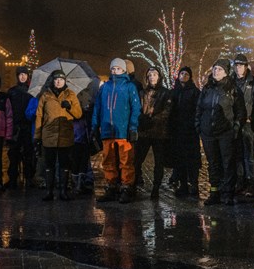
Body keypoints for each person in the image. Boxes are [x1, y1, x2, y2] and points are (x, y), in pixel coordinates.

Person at [196, 59, 247, 205]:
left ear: (226, 72)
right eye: (214, 69)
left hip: (225, 132)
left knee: (227, 163)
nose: (216, 72)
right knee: (213, 163)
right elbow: (199, 108)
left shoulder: (233, 89)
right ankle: (214, 192)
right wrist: (198, 125)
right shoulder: (207, 88)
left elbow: (240, 112)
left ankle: (228, 193)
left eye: (219, 69)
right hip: (208, 132)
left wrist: (235, 128)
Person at [92, 58, 142, 203]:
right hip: (107, 130)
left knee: (126, 161)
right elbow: (98, 107)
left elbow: (135, 108)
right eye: (113, 69)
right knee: (108, 160)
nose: (115, 71)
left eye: (118, 69)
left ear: (124, 70)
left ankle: (126, 187)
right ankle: (111, 186)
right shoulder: (105, 87)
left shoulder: (129, 86)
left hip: (123, 131)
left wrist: (133, 126)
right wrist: (95, 124)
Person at [35, 70, 82, 201]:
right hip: (48, 136)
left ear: (65, 81)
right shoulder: (45, 95)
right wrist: (37, 136)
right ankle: (49, 192)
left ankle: (63, 191)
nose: (58, 81)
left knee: (64, 164)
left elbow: (78, 114)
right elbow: (39, 116)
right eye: (56, 79)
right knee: (49, 165)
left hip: (65, 137)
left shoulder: (71, 94)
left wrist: (69, 107)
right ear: (53, 81)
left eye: (61, 79)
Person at [135, 67, 172, 200]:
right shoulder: (142, 93)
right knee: (137, 160)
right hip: (144, 132)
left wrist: (152, 119)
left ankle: (156, 188)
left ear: (159, 77)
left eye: (154, 75)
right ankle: (134, 184)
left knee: (159, 162)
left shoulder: (166, 93)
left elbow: (167, 111)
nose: (152, 77)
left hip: (159, 133)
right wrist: (141, 119)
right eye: (149, 75)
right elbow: (137, 108)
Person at [233, 54, 254, 199]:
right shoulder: (232, 83)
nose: (238, 68)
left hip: (250, 123)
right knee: (239, 154)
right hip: (236, 123)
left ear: (246, 67)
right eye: (236, 65)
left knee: (252, 154)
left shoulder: (253, 83)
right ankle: (242, 181)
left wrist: (253, 117)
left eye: (241, 65)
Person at [168, 66, 201, 197]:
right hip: (177, 131)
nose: (184, 76)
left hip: (190, 130)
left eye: (187, 74)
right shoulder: (174, 92)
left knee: (192, 159)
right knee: (179, 159)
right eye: (182, 73)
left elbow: (197, 110)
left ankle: (193, 183)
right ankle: (182, 184)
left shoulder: (194, 92)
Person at [6, 66, 34, 189]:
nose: (22, 76)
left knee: (29, 154)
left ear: (28, 76)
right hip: (15, 127)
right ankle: (13, 179)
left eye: (25, 74)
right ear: (17, 76)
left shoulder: (32, 91)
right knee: (13, 154)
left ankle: (29, 178)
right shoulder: (12, 91)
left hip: (28, 126)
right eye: (20, 74)